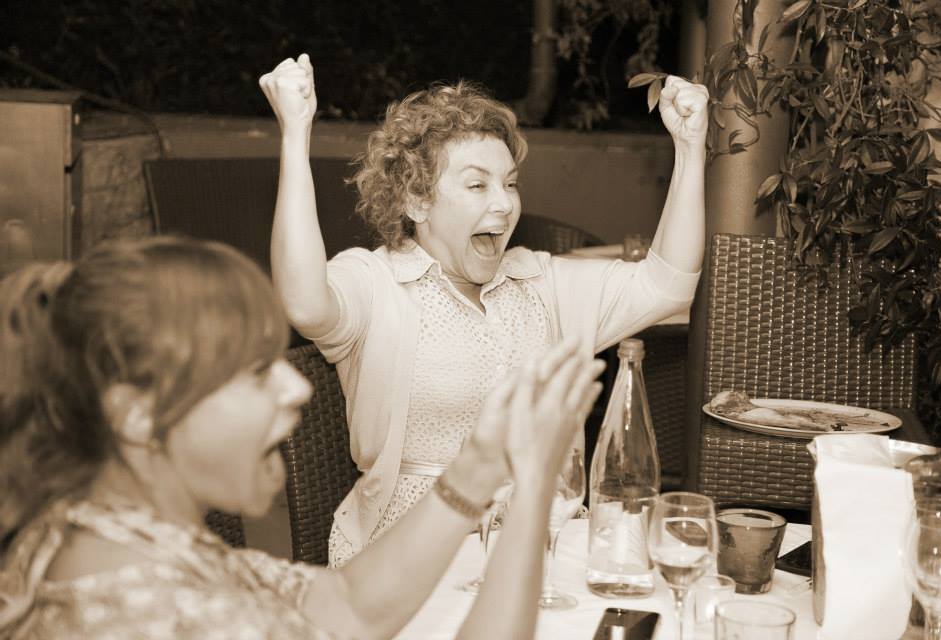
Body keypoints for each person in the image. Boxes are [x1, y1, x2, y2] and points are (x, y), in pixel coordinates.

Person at [0, 235, 604, 639]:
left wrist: (479, 467)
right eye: (254, 372)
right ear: (135, 414)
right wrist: (533, 482)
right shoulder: (157, 616)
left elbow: (347, 605)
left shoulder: (103, 533)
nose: (295, 388)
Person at [261, 54, 708, 566]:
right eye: (477, 185)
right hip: (412, 549)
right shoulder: (376, 283)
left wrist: (689, 148)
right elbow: (303, 301)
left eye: (510, 183)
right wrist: (294, 135)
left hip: (540, 540)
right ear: (417, 201)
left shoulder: (540, 283)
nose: (504, 204)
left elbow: (667, 286)